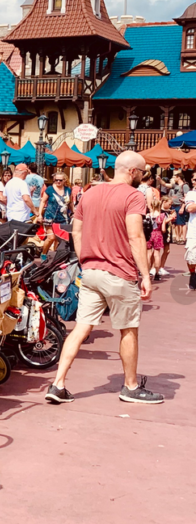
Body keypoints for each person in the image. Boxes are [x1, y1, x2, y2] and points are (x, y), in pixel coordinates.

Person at [47, 151, 162, 405]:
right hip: (119, 272)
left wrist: (85, 260)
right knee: (128, 330)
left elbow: (75, 232)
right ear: (132, 171)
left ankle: (58, 384)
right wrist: (145, 274)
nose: (143, 178)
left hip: (90, 271)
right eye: (142, 173)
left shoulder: (88, 194)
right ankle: (130, 387)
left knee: (80, 328)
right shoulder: (133, 196)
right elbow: (135, 236)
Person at [146, 198, 171, 281]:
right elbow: (163, 229)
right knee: (157, 254)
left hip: (149, 234)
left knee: (148, 254)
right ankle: (157, 273)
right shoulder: (162, 216)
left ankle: (147, 271)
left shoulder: (148, 215)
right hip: (158, 234)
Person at [185, 184, 196, 290]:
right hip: (194, 232)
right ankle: (193, 274)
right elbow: (191, 208)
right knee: (191, 258)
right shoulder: (191, 194)